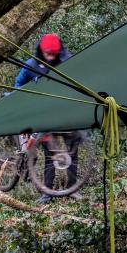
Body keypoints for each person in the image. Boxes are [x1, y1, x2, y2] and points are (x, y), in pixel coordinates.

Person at [14, 34, 82, 203]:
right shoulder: (31, 65)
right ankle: (47, 193)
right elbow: (18, 85)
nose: (50, 57)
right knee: (49, 154)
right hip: (44, 115)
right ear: (41, 51)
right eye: (47, 54)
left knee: (73, 150)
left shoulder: (67, 61)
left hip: (67, 113)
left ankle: (72, 189)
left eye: (53, 54)